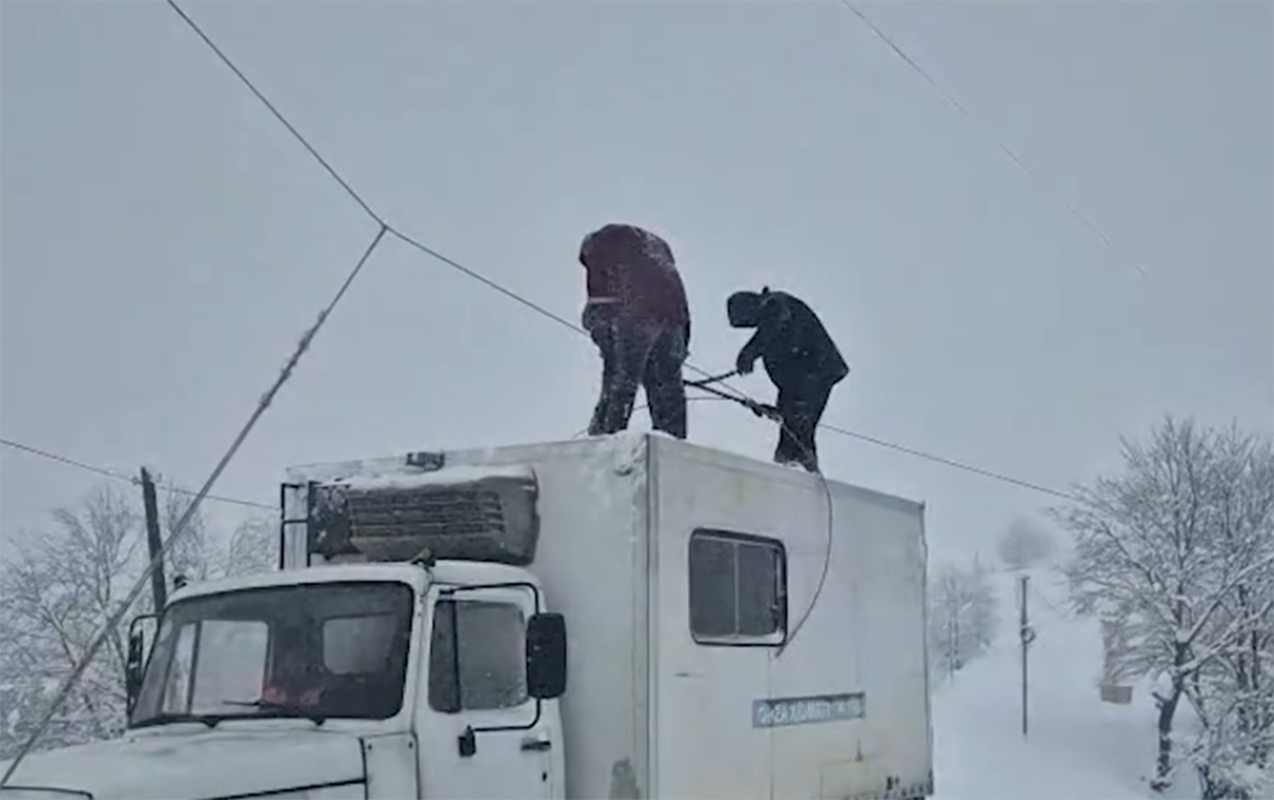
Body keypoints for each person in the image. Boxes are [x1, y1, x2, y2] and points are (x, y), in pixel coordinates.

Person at [579, 223, 691, 439]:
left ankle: (606, 438)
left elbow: (600, 303)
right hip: (674, 320)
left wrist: (600, 333)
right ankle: (674, 443)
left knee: (620, 379)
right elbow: (680, 304)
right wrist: (681, 347)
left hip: (635, 314)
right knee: (668, 388)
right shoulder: (657, 250)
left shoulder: (598, 246)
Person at [727, 287, 848, 473]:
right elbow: (789, 393)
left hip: (815, 372)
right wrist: (772, 410)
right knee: (794, 425)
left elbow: (774, 321)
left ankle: (800, 471)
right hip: (803, 378)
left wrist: (750, 352)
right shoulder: (775, 321)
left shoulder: (776, 304)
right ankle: (793, 466)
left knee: (799, 428)